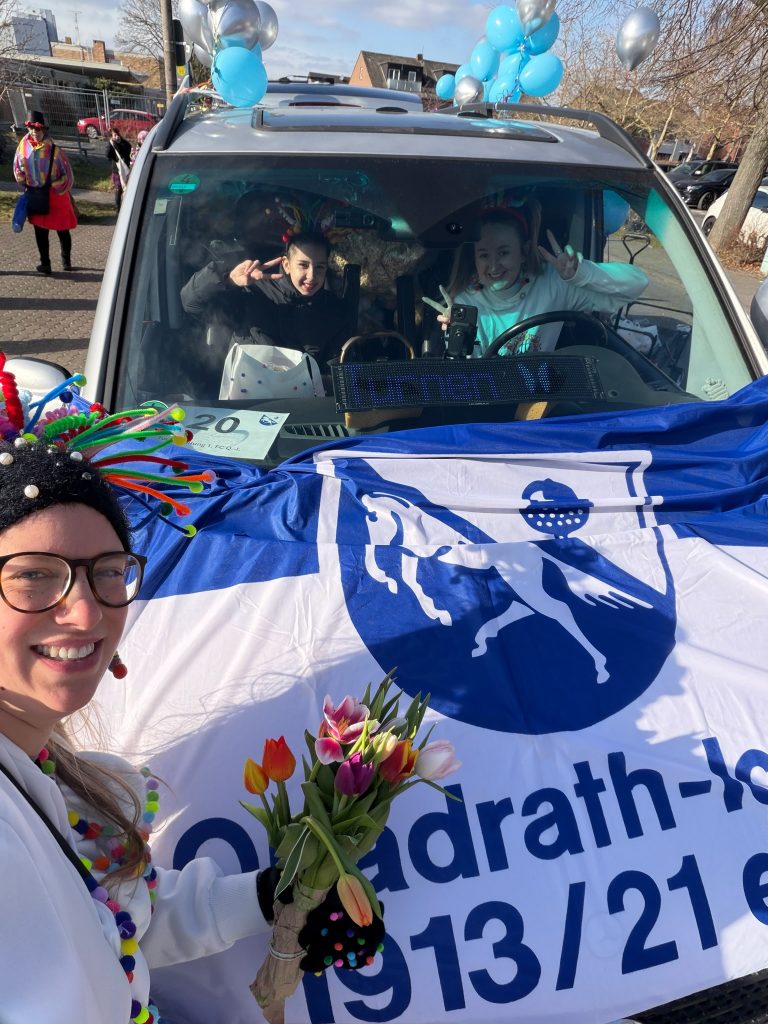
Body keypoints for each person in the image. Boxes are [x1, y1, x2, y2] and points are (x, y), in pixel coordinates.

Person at [0, 372, 280, 1022]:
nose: (84, 613)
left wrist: (272, 895)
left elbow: (115, 923)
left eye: (106, 573)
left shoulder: (52, 775)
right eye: (36, 576)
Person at [431, 200, 649, 356]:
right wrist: (458, 336)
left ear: (524, 251)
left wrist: (581, 274)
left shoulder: (552, 284)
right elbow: (469, 373)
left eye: (504, 252)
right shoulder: (464, 303)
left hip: (539, 399)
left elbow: (637, 283)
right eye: (484, 255)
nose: (494, 265)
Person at [181, 230, 353, 370]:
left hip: (304, 405)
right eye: (303, 265)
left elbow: (336, 376)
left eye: (319, 267)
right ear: (286, 264)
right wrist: (229, 280)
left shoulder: (334, 311)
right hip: (249, 404)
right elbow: (191, 303)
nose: (311, 276)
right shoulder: (252, 292)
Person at [13, 110, 77, 274]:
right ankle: (45, 264)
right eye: (32, 129)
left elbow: (67, 174)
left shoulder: (54, 150)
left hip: (55, 197)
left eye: (38, 129)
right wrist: (22, 180)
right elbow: (17, 166)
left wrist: (55, 185)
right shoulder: (23, 146)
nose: (35, 132)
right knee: (40, 231)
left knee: (62, 230)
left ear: (44, 129)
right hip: (36, 195)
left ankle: (66, 260)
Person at [105, 128, 132, 212]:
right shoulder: (111, 145)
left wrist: (120, 142)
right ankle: (118, 207)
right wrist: (111, 143)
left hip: (126, 169)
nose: (117, 136)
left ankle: (127, 205)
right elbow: (107, 155)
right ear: (111, 136)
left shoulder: (123, 143)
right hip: (117, 170)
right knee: (118, 188)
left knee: (127, 188)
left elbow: (128, 148)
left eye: (117, 134)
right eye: (114, 135)